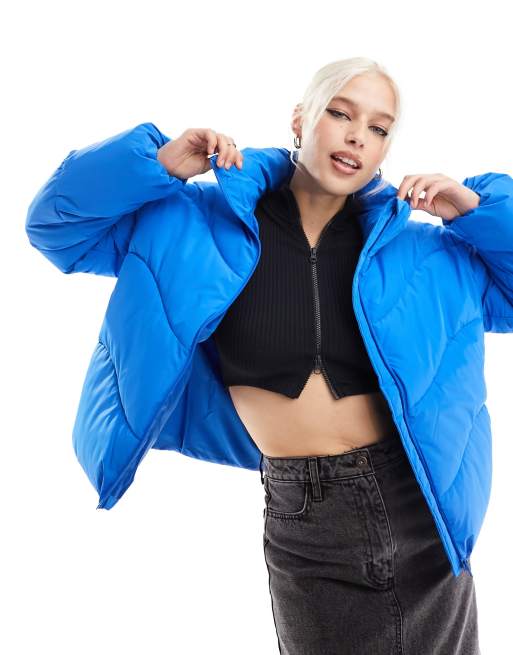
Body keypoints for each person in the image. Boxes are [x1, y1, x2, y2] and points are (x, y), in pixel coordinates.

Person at [26, 55, 513, 654]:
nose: (358, 136)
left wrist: (478, 214)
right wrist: (157, 167)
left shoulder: (424, 249)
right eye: (341, 113)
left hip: (415, 509)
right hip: (301, 512)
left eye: (379, 127)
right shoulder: (196, 222)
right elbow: (56, 228)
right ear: (301, 119)